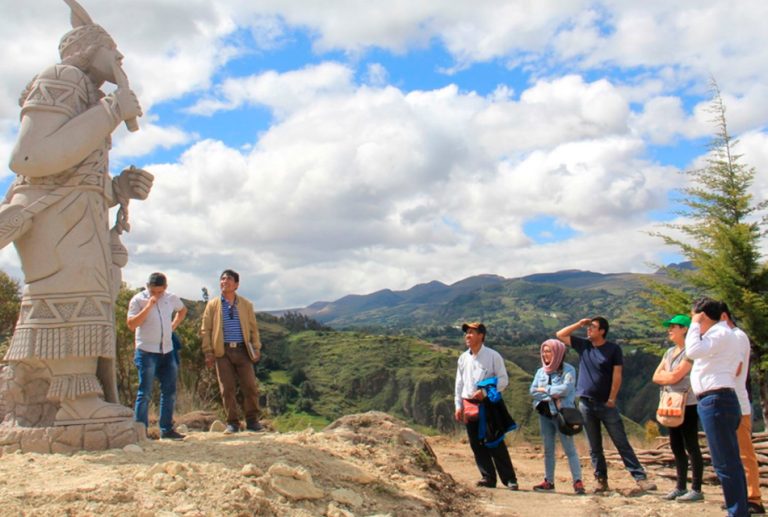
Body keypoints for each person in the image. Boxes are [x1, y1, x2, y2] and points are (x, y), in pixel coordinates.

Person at [0, 0, 151, 425]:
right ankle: (74, 401)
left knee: (86, 294)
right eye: (113, 50)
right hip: (54, 219)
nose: (120, 60)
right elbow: (31, 157)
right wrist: (110, 112)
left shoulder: (86, 91)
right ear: (88, 49)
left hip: (76, 213)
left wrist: (117, 189)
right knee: (70, 293)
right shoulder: (62, 77)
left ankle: (74, 395)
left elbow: (71, 174)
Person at [556, 317, 655, 493]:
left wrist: (612, 398)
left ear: (602, 331)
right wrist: (579, 324)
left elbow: (617, 375)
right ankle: (601, 480)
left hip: (605, 404)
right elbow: (560, 335)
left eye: (592, 327)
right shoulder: (583, 345)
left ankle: (640, 477)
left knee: (621, 442)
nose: (588, 330)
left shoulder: (613, 349)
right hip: (586, 403)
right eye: (588, 327)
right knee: (594, 446)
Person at [686, 297, 747, 517]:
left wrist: (694, 323)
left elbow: (692, 351)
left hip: (716, 400)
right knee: (728, 460)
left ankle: (737, 512)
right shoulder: (721, 335)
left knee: (725, 462)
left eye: (696, 316)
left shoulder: (720, 333)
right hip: (718, 400)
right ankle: (739, 509)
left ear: (702, 315)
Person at [454, 322, 518, 490]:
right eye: (466, 333)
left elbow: (503, 380)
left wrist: (483, 392)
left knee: (495, 440)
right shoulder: (463, 358)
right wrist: (458, 405)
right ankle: (488, 477)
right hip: (469, 404)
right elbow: (459, 384)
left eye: (471, 332)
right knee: (476, 443)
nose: (468, 336)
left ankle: (509, 479)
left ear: (481, 335)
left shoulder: (492, 356)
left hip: (487, 404)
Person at [201, 269, 264, 434]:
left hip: (243, 350)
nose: (224, 282)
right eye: (222, 279)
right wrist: (208, 351)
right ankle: (232, 423)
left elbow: (253, 328)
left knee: (250, 386)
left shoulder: (246, 304)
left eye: (228, 279)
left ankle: (252, 420)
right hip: (223, 351)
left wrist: (256, 347)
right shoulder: (213, 305)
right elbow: (205, 329)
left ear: (236, 284)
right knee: (227, 388)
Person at [127, 272, 187, 439]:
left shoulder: (170, 298)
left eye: (159, 292)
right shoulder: (138, 300)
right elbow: (131, 325)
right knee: (144, 392)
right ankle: (140, 432)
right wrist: (148, 306)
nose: (156, 295)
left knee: (169, 391)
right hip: (146, 351)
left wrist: (172, 326)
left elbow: (182, 310)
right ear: (148, 287)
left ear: (165, 288)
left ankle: (166, 429)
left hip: (166, 351)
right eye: (153, 291)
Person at [652, 314, 703, 502]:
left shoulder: (691, 352)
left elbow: (674, 377)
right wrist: (670, 376)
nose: (670, 329)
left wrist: (670, 375)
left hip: (688, 403)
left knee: (691, 445)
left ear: (685, 329)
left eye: (674, 326)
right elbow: (656, 376)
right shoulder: (669, 352)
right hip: (671, 403)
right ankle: (680, 487)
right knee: (676, 445)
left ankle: (696, 488)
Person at [722, 304, 765, 515]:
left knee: (744, 452)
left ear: (723, 316)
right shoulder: (731, 336)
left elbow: (736, 367)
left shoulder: (737, 337)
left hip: (737, 403)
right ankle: (741, 495)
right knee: (733, 453)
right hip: (731, 402)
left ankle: (753, 497)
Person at [529, 338, 585, 495]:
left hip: (562, 415)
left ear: (559, 353)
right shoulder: (541, 371)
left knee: (569, 449)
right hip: (545, 414)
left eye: (549, 351)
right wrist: (551, 393)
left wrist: (544, 389)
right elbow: (532, 391)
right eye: (544, 351)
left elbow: (566, 389)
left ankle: (577, 481)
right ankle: (549, 481)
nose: (546, 354)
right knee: (548, 449)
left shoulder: (569, 370)